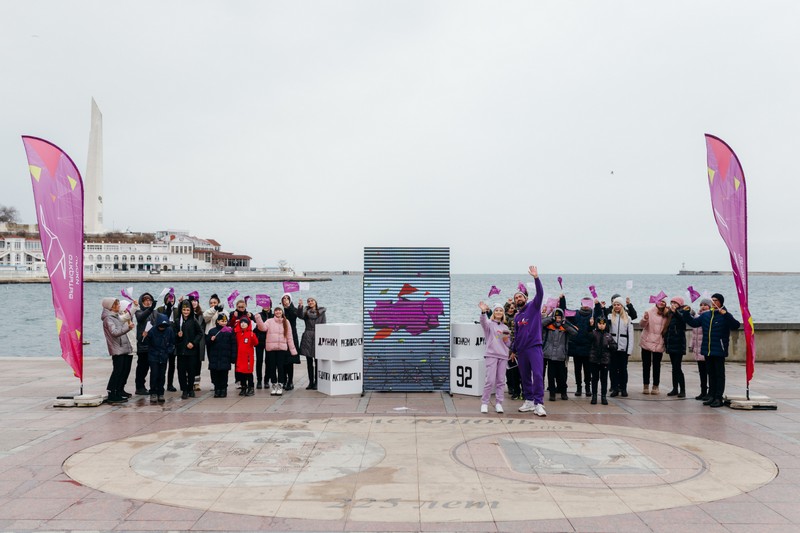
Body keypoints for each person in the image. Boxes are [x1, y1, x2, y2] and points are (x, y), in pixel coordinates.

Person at [679, 293, 740, 408]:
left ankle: (718, 397)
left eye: (715, 300)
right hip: (707, 349)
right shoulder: (706, 315)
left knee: (719, 374)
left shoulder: (724, 315)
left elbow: (735, 325)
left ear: (720, 302)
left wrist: (726, 314)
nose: (713, 302)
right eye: (712, 300)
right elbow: (694, 323)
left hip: (719, 349)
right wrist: (686, 313)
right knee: (711, 374)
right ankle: (711, 396)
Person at [509, 266, 546, 416]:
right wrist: (513, 350)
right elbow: (517, 335)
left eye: (520, 297)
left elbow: (540, 293)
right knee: (524, 377)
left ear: (525, 298)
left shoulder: (534, 306)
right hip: (522, 350)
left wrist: (536, 278)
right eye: (516, 298)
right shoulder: (517, 317)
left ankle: (539, 403)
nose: (518, 299)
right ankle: (529, 401)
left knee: (537, 375)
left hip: (534, 347)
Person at [255, 307, 299, 396]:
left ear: (282, 312)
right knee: (272, 367)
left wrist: (292, 349)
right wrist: (258, 318)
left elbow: (289, 337)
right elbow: (262, 328)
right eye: (276, 310)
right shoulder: (269, 321)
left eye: (279, 310)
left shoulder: (286, 322)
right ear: (274, 312)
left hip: (282, 349)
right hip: (271, 349)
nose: (278, 312)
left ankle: (280, 385)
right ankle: (274, 385)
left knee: (281, 368)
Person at [477, 301, 512, 413]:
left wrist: (508, 341)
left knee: (501, 381)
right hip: (491, 355)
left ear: (503, 313)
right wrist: (483, 312)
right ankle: (484, 403)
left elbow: (507, 343)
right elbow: (483, 322)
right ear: (493, 312)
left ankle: (499, 403)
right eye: (496, 310)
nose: (498, 312)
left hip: (503, 356)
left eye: (501, 310)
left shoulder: (505, 327)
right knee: (490, 380)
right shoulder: (489, 324)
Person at [101, 298, 135, 404]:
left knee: (122, 370)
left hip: (122, 347)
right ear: (111, 306)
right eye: (117, 304)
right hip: (117, 348)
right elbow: (114, 332)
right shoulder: (108, 319)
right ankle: (112, 393)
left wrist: (134, 307)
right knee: (117, 371)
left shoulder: (115, 316)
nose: (119, 306)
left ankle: (118, 391)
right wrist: (128, 328)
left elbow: (126, 317)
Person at [542, 308, 579, 402]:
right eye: (556, 316)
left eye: (559, 317)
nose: (558, 318)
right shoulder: (548, 325)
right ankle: (552, 393)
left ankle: (563, 392)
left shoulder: (565, 326)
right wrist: (551, 319)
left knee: (562, 376)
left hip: (561, 355)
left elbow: (575, 332)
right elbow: (540, 324)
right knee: (550, 376)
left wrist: (564, 323)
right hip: (549, 354)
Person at [564, 296, 594, 397]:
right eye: (584, 303)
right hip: (576, 347)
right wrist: (563, 299)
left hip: (588, 347)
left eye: (588, 304)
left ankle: (588, 387)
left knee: (588, 370)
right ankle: (579, 388)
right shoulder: (575, 313)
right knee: (577, 369)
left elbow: (602, 318)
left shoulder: (593, 315)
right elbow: (565, 312)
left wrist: (598, 305)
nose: (585, 306)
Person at [639, 294, 668, 395]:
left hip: (659, 342)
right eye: (660, 301)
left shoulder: (667, 314)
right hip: (647, 341)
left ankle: (656, 386)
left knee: (657, 366)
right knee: (646, 365)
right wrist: (644, 319)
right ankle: (645, 385)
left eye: (664, 301)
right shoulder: (649, 311)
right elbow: (642, 325)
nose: (661, 303)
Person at [174, 301, 203, 400]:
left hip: (191, 351)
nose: (186, 312)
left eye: (187, 310)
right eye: (184, 310)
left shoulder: (194, 320)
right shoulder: (177, 321)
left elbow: (200, 333)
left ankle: (190, 389)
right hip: (181, 351)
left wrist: (193, 343)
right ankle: (184, 390)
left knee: (191, 370)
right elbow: (173, 336)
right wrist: (178, 335)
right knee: (181, 371)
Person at [297, 297, 327, 390]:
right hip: (308, 336)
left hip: (318, 335)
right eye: (308, 301)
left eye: (312, 301)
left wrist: (323, 337)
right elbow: (300, 316)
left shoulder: (321, 312)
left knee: (317, 361)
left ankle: (317, 382)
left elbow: (324, 325)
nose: (310, 302)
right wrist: (300, 306)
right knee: (309, 361)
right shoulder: (306, 312)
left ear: (315, 302)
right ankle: (311, 382)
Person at [608, 297, 635, 397]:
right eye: (615, 305)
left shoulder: (628, 318)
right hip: (613, 347)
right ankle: (615, 388)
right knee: (613, 369)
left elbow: (631, 335)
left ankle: (623, 388)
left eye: (618, 305)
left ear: (622, 306)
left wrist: (629, 349)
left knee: (623, 369)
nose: (616, 306)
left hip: (623, 347)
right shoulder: (610, 317)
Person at [206, 314, 236, 398]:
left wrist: (233, 356)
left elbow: (233, 344)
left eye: (225, 321)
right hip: (214, 357)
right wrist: (211, 340)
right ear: (218, 321)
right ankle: (217, 389)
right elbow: (208, 344)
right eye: (222, 321)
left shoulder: (229, 331)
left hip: (225, 357)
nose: (224, 323)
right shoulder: (212, 331)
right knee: (215, 375)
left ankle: (223, 389)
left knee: (224, 375)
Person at [147, 313, 175, 403]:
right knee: (154, 374)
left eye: (164, 326)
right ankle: (153, 392)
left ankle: (160, 393)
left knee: (162, 375)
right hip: (153, 355)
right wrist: (144, 336)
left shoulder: (169, 330)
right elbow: (146, 343)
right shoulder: (152, 330)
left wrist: (168, 351)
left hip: (164, 355)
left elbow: (172, 343)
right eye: (160, 326)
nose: (162, 328)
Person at [664, 296, 687, 398]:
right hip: (671, 344)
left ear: (679, 305)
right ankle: (675, 388)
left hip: (678, 344)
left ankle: (682, 389)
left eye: (675, 303)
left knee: (678, 367)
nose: (673, 305)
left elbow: (683, 321)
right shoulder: (670, 314)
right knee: (674, 368)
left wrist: (675, 312)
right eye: (672, 303)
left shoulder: (682, 312)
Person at [589, 317, 617, 405]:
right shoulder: (594, 333)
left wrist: (609, 346)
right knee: (594, 379)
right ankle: (594, 396)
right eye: (600, 324)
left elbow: (615, 346)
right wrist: (591, 326)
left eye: (603, 324)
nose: (601, 325)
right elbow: (588, 337)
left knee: (604, 379)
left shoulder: (608, 335)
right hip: (594, 360)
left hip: (605, 361)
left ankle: (603, 396)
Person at [133, 292, 157, 395]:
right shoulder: (139, 311)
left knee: (153, 368)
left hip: (153, 344)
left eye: (149, 300)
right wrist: (150, 309)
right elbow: (140, 318)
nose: (148, 302)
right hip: (143, 345)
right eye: (145, 300)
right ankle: (139, 387)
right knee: (142, 368)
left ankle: (153, 387)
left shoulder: (154, 312)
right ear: (141, 302)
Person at [689, 298, 712, 400]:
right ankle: (703, 391)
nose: (703, 306)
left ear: (709, 306)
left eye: (705, 305)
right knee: (702, 372)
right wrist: (692, 345)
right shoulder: (697, 317)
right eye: (701, 305)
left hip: (705, 349)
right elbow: (694, 334)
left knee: (709, 372)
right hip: (698, 350)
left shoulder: (709, 317)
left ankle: (710, 392)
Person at [156, 292, 178, 392]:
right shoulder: (160, 309)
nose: (171, 301)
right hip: (162, 340)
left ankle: (170, 384)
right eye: (169, 299)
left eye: (172, 299)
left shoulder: (177, 310)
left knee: (172, 364)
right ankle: (160, 384)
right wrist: (167, 310)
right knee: (162, 364)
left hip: (173, 340)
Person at [281, 294, 301, 391]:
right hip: (281, 336)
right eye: (284, 298)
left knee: (290, 360)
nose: (285, 300)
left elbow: (294, 316)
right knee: (283, 360)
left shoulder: (293, 310)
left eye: (287, 298)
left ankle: (290, 381)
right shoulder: (280, 310)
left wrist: (289, 307)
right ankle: (284, 380)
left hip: (291, 336)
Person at [234, 316, 258, 396]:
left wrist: (253, 336)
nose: (243, 324)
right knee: (241, 373)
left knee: (248, 373)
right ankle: (243, 387)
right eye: (241, 323)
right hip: (240, 357)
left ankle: (251, 388)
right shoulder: (238, 333)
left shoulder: (251, 333)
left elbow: (256, 343)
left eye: (245, 323)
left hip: (248, 357)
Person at [503, 301, 521, 400]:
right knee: (509, 369)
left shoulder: (517, 317)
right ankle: (511, 387)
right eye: (509, 308)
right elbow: (500, 335)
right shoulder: (504, 318)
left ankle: (518, 389)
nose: (511, 309)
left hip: (517, 346)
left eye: (512, 308)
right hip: (507, 346)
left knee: (518, 370)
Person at [253, 304, 272, 389]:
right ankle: (259, 380)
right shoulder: (258, 315)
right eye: (264, 305)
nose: (266, 307)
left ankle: (266, 380)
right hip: (259, 341)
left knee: (268, 361)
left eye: (268, 305)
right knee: (259, 361)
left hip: (269, 341)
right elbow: (253, 325)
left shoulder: (273, 316)